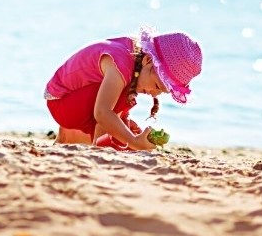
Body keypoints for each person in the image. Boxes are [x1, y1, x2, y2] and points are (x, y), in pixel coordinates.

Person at [44, 28, 201, 150]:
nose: (155, 93)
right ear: (147, 60)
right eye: (157, 86)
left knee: (122, 129)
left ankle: (84, 141)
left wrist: (126, 129)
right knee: (119, 108)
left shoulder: (133, 62)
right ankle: (99, 145)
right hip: (62, 101)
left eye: (162, 91)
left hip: (74, 100)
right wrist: (133, 141)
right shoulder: (121, 64)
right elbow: (102, 112)